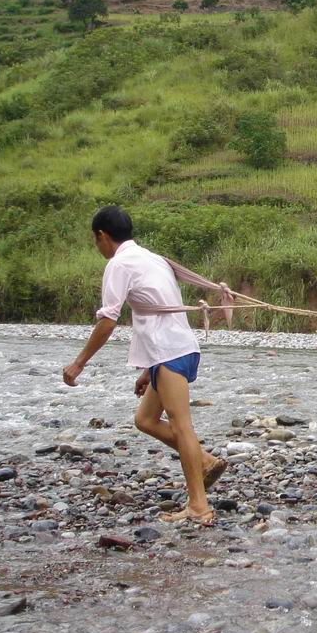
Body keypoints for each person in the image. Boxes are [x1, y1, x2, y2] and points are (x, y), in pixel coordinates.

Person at [62, 206, 227, 524]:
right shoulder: (152, 258)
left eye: (95, 240)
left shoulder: (119, 264)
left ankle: (199, 506)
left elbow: (108, 321)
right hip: (176, 350)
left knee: (182, 426)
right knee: (146, 419)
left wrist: (78, 363)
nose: (97, 247)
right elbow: (158, 311)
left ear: (102, 236)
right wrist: (148, 371)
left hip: (170, 352)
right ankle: (204, 462)